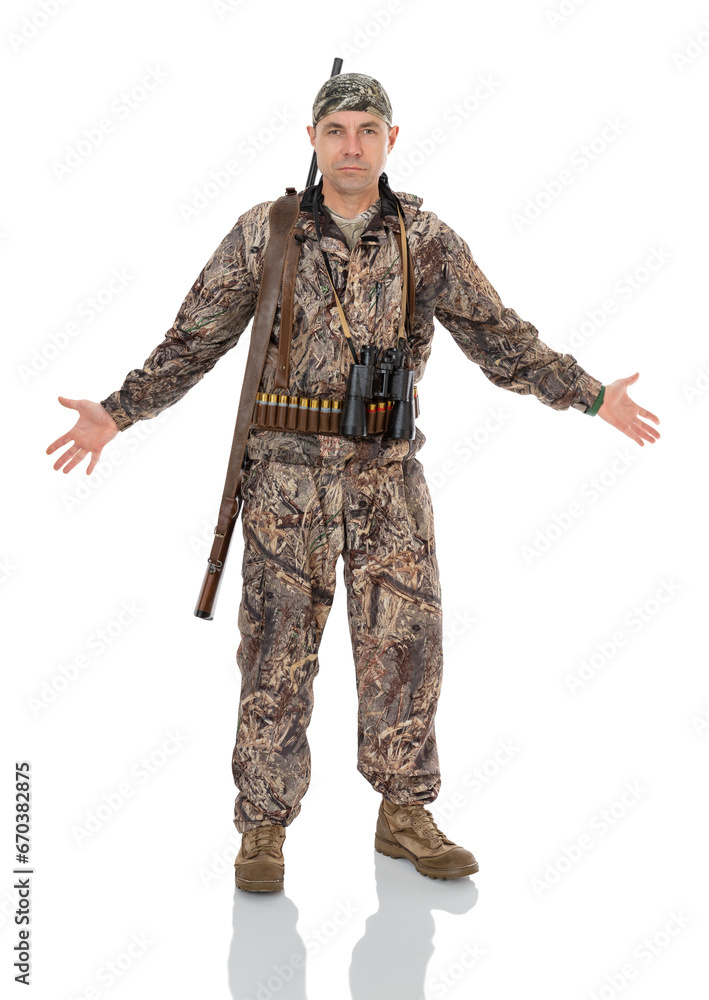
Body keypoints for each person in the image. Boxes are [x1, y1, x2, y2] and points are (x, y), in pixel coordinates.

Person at [46, 72, 660, 893]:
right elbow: (195, 337)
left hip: (387, 481)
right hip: (284, 488)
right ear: (312, 138)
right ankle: (262, 825)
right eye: (336, 128)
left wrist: (587, 396)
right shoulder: (265, 232)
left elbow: (498, 337)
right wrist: (120, 411)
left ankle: (404, 812)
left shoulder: (425, 239)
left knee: (404, 651)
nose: (351, 145)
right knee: (273, 655)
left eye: (367, 129)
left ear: (391, 141)